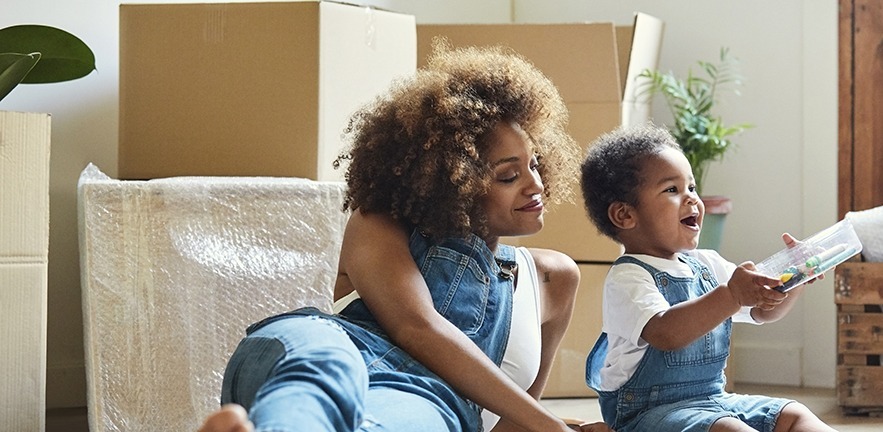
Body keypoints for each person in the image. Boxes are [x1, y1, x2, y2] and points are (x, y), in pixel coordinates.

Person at [198, 42, 613, 432]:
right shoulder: (381, 221)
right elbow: (417, 327)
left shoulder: (555, 278)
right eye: (508, 174)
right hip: (322, 346)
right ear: (453, 179)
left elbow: (517, 422)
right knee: (325, 370)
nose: (534, 184)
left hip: (427, 401)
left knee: (409, 418)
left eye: (535, 165)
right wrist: (554, 427)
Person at [578, 124, 836, 432]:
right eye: (672, 190)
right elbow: (666, 333)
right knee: (730, 429)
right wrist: (731, 295)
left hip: (713, 400)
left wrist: (791, 280)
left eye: (692, 187)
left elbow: (763, 311)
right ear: (625, 215)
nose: (691, 200)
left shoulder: (706, 264)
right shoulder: (628, 278)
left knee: (794, 415)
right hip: (648, 415)